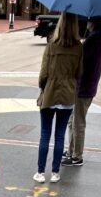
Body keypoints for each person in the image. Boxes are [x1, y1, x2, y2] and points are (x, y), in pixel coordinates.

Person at [34, 12, 82, 184]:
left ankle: (40, 172)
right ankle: (55, 172)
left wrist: (43, 86)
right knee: (60, 135)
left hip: (50, 93)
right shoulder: (78, 47)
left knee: (45, 134)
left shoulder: (52, 46)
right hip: (67, 94)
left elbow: (44, 73)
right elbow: (79, 73)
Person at [61, 17, 101, 168]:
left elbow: (82, 61)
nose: (87, 23)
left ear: (94, 22)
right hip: (88, 85)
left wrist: (81, 47)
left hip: (84, 86)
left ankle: (76, 155)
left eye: (89, 21)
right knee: (73, 120)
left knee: (77, 122)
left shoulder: (95, 38)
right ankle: (72, 151)